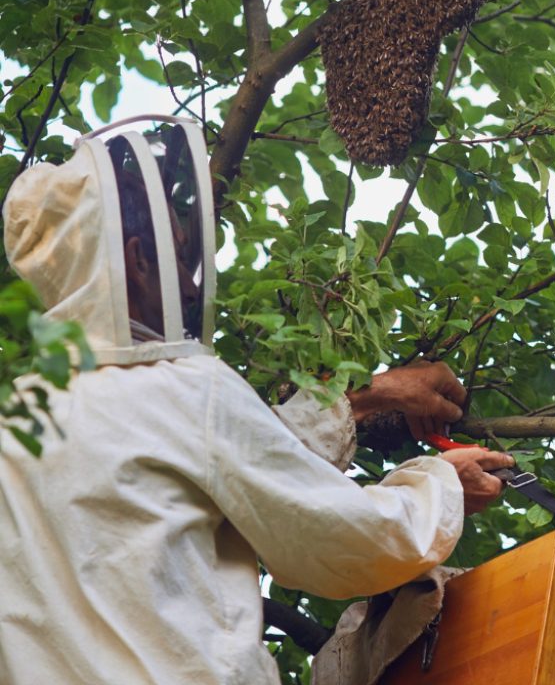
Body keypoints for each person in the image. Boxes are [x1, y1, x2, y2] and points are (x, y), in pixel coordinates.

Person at [0, 114, 513, 685]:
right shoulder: (181, 390)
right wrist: (442, 484)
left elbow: (234, 472)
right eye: (176, 254)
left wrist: (369, 398)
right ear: (139, 260)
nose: (191, 283)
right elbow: (339, 536)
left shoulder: (17, 426)